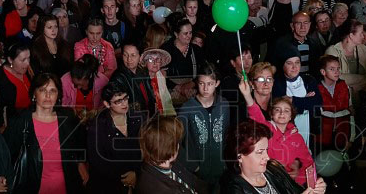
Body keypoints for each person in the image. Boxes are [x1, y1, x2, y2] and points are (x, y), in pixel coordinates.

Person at [3, 73, 87, 194]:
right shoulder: (21, 121)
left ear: (58, 95)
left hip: (67, 186)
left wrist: (80, 163)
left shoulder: (67, 118)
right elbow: (5, 152)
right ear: (34, 94)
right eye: (42, 90)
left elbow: (79, 143)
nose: (48, 96)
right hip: (31, 188)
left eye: (52, 91)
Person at [239, 79, 315, 187]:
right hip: (268, 181)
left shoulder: (297, 138)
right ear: (271, 114)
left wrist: (300, 180)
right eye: (277, 110)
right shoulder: (266, 129)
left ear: (291, 116)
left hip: (290, 183)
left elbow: (308, 162)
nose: (282, 113)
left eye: (286, 111)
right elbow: (256, 114)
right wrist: (247, 95)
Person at [221, 119, 326, 193]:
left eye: (266, 150)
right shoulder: (233, 188)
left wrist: (313, 190)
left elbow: (296, 190)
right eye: (260, 152)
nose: (267, 157)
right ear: (239, 156)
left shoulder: (273, 167)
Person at [177, 62, 229, 191]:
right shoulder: (187, 108)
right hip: (196, 173)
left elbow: (227, 135)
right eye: (202, 83)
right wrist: (192, 166)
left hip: (220, 171)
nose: (206, 88)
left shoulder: (224, 105)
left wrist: (226, 163)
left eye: (210, 84)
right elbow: (175, 141)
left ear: (217, 83)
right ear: (197, 83)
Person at [87, 83, 143, 194]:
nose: (124, 103)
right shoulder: (98, 127)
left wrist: (137, 173)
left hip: (139, 180)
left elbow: (149, 149)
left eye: (125, 98)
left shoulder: (139, 118)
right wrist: (125, 179)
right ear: (107, 104)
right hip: (109, 185)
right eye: (118, 101)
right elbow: (97, 162)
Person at [135, 114, 206, 194]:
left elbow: (195, 182)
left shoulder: (169, 163)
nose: (179, 146)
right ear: (169, 148)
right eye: (177, 142)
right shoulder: (157, 188)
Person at [316, 54, 352, 151]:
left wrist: (351, 137)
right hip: (322, 137)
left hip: (342, 134)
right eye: (332, 69)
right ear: (323, 72)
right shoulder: (316, 89)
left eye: (338, 68)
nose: (336, 72)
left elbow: (350, 111)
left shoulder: (344, 86)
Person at [0, 43, 33, 116]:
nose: (27, 63)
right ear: (10, 60)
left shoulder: (28, 70)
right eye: (23, 60)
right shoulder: (1, 80)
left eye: (28, 58)